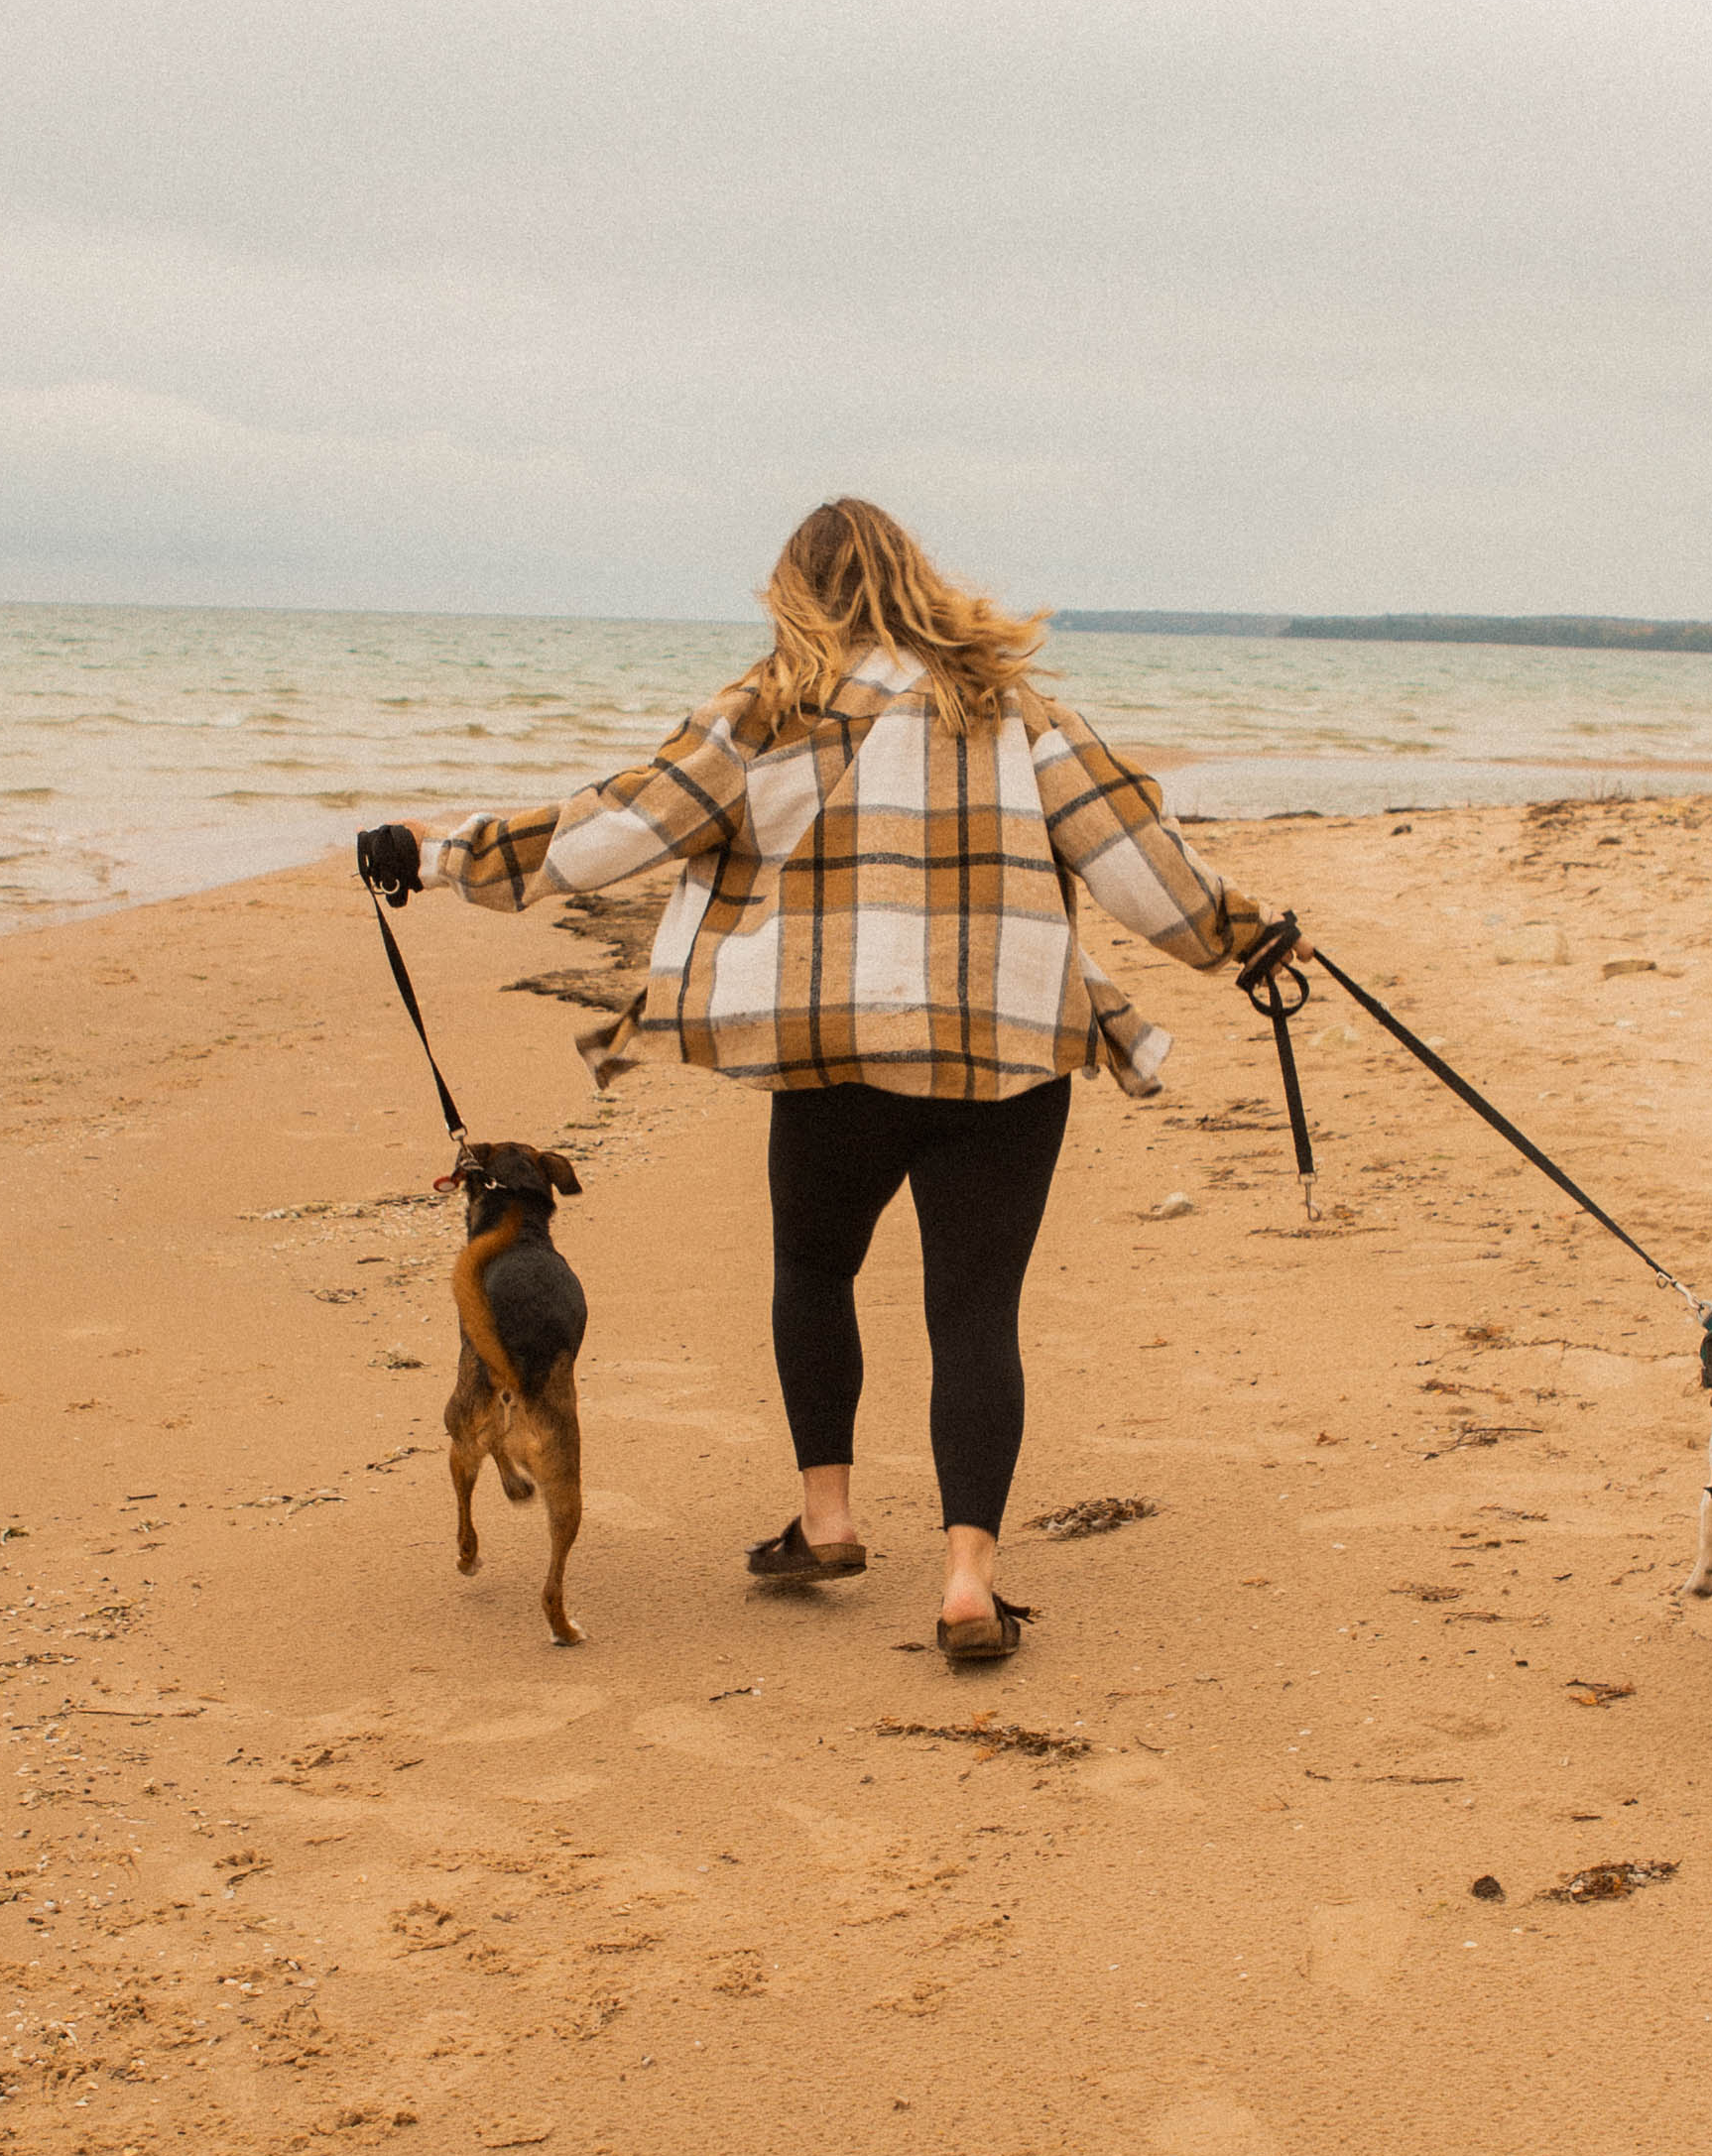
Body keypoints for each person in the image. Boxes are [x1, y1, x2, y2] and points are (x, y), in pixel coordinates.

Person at [358, 499, 1270, 1669]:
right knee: (975, 1313)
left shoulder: (764, 715)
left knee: (814, 1267)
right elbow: (1135, 853)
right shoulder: (1012, 708)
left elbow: (611, 830)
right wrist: (1248, 943)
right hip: (1009, 1050)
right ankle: (965, 1582)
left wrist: (435, 856)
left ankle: (829, 1519)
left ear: (797, 594)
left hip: (837, 1054)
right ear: (918, 579)